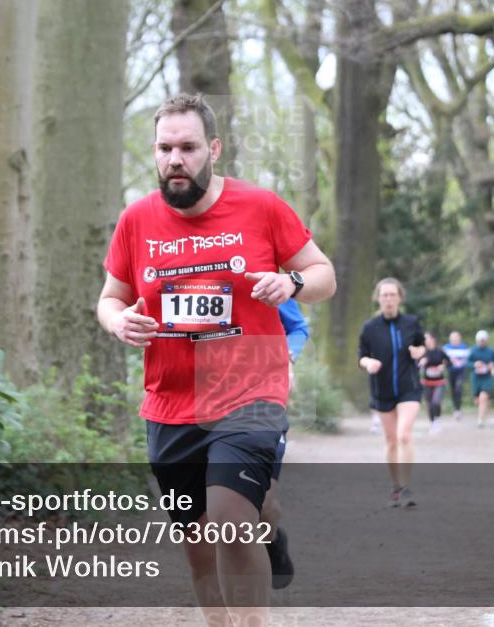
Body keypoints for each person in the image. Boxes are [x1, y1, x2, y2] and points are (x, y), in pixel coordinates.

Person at [97, 93, 335, 625]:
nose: (174, 159)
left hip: (249, 391)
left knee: (229, 521)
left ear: (214, 149)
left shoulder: (261, 207)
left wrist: (291, 281)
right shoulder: (136, 220)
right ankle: (255, 555)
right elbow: (109, 297)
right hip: (171, 402)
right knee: (201, 543)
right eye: (164, 148)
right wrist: (117, 319)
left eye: (187, 147)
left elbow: (324, 275)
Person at [358, 277, 426, 507]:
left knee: (404, 434)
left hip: (409, 388)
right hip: (382, 389)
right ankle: (396, 486)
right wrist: (368, 363)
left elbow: (421, 345)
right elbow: (362, 356)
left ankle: (406, 488)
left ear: (399, 298)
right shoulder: (370, 327)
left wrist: (419, 351)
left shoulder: (411, 322)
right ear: (378, 298)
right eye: (384, 295)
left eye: (392, 295)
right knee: (391, 441)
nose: (388, 299)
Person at [260, 299, 308, 590]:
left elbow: (298, 327)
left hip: (262, 403)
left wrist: (287, 355)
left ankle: (273, 539)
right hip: (200, 406)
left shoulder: (264, 278)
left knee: (262, 503)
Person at [468, 330, 494, 428]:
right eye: (480, 340)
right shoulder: (472, 350)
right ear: (477, 340)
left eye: (483, 340)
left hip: (487, 378)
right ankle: (483, 410)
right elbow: (466, 363)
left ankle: (480, 420)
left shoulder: (491, 351)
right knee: (478, 400)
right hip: (476, 378)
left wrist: (493, 366)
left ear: (487, 340)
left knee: (483, 397)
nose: (482, 342)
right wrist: (474, 364)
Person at [420, 333, 449, 433]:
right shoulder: (422, 352)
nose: (425, 341)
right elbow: (415, 364)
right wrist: (421, 362)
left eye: (427, 338)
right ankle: (432, 423)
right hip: (427, 381)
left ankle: (437, 420)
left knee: (436, 402)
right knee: (429, 404)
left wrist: (443, 365)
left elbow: (448, 361)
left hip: (439, 381)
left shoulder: (440, 352)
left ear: (433, 339)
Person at [443, 331, 470, 419]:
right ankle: (455, 408)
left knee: (458, 388)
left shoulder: (464, 347)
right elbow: (442, 359)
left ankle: (458, 409)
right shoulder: (446, 348)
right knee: (453, 390)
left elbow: (467, 359)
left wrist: (461, 362)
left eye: (456, 338)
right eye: (453, 339)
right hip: (451, 372)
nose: (455, 340)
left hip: (460, 372)